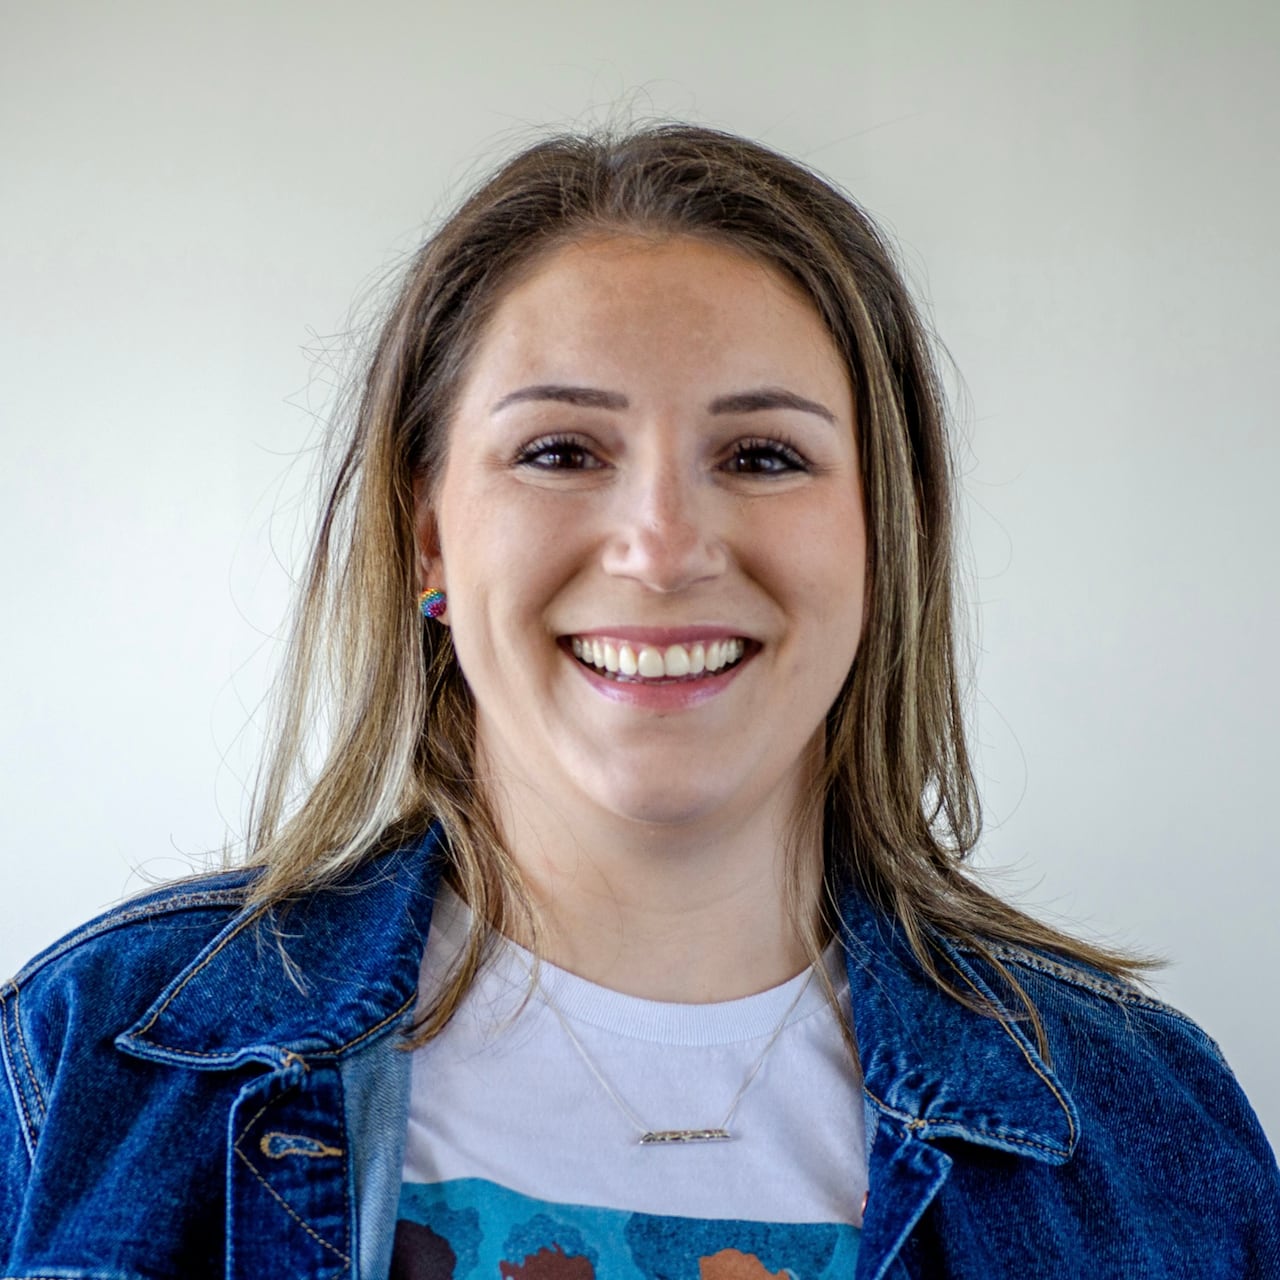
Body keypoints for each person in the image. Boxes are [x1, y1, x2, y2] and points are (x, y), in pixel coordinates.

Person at [2, 124, 1277, 1279]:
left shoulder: (1150, 1126)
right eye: (560, 451)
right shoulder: (82, 1063)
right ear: (429, 532)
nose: (662, 550)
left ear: (881, 537)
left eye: (762, 455)